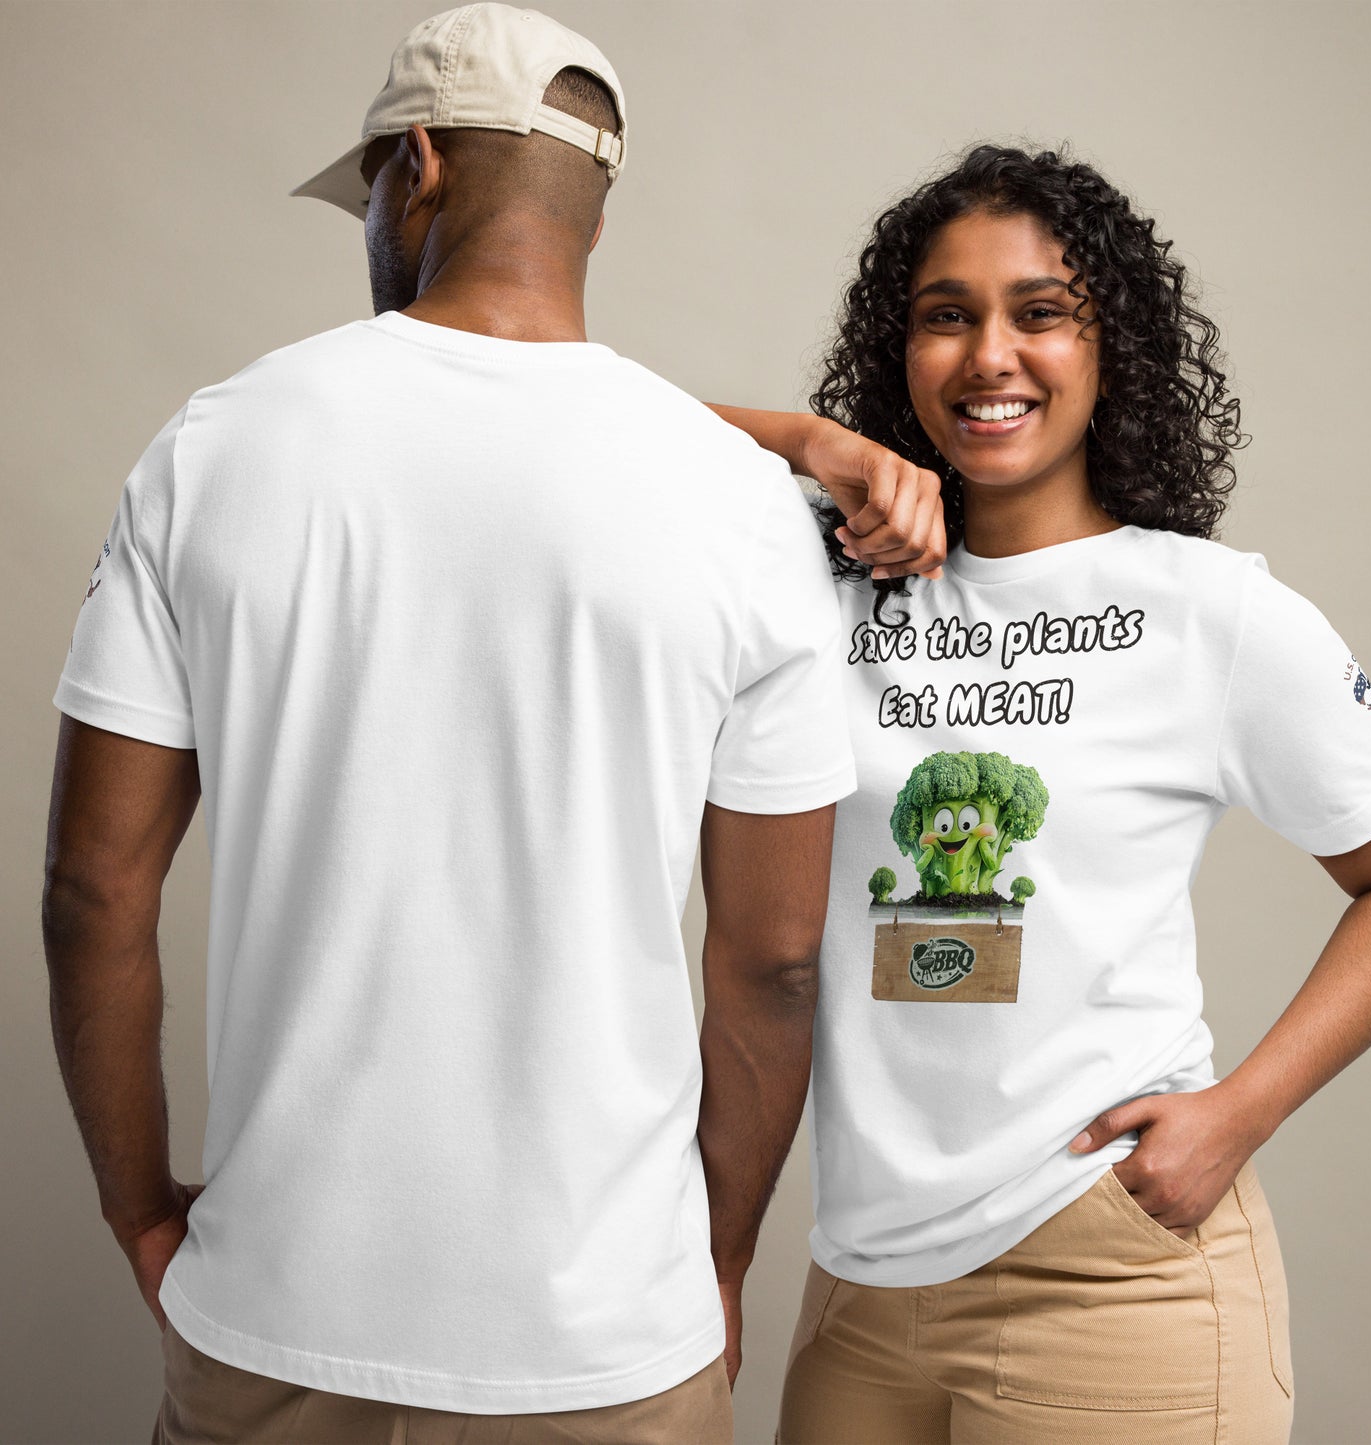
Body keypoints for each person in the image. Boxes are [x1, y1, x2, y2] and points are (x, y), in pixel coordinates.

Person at [40, 6, 856, 1443]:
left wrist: (140, 1212)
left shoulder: (214, 447)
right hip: (605, 1341)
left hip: (274, 1317)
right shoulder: (739, 506)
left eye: (364, 187)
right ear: (594, 210)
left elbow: (93, 887)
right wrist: (710, 1265)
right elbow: (773, 961)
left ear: (411, 169)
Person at [713, 143, 1371, 1442]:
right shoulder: (816, 593)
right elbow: (586, 435)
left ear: (1113, 348)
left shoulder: (1205, 613)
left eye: (1039, 312)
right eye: (947, 316)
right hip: (860, 1281)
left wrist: (1238, 1111)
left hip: (1107, 1275)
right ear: (900, 348)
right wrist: (811, 443)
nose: (989, 354)